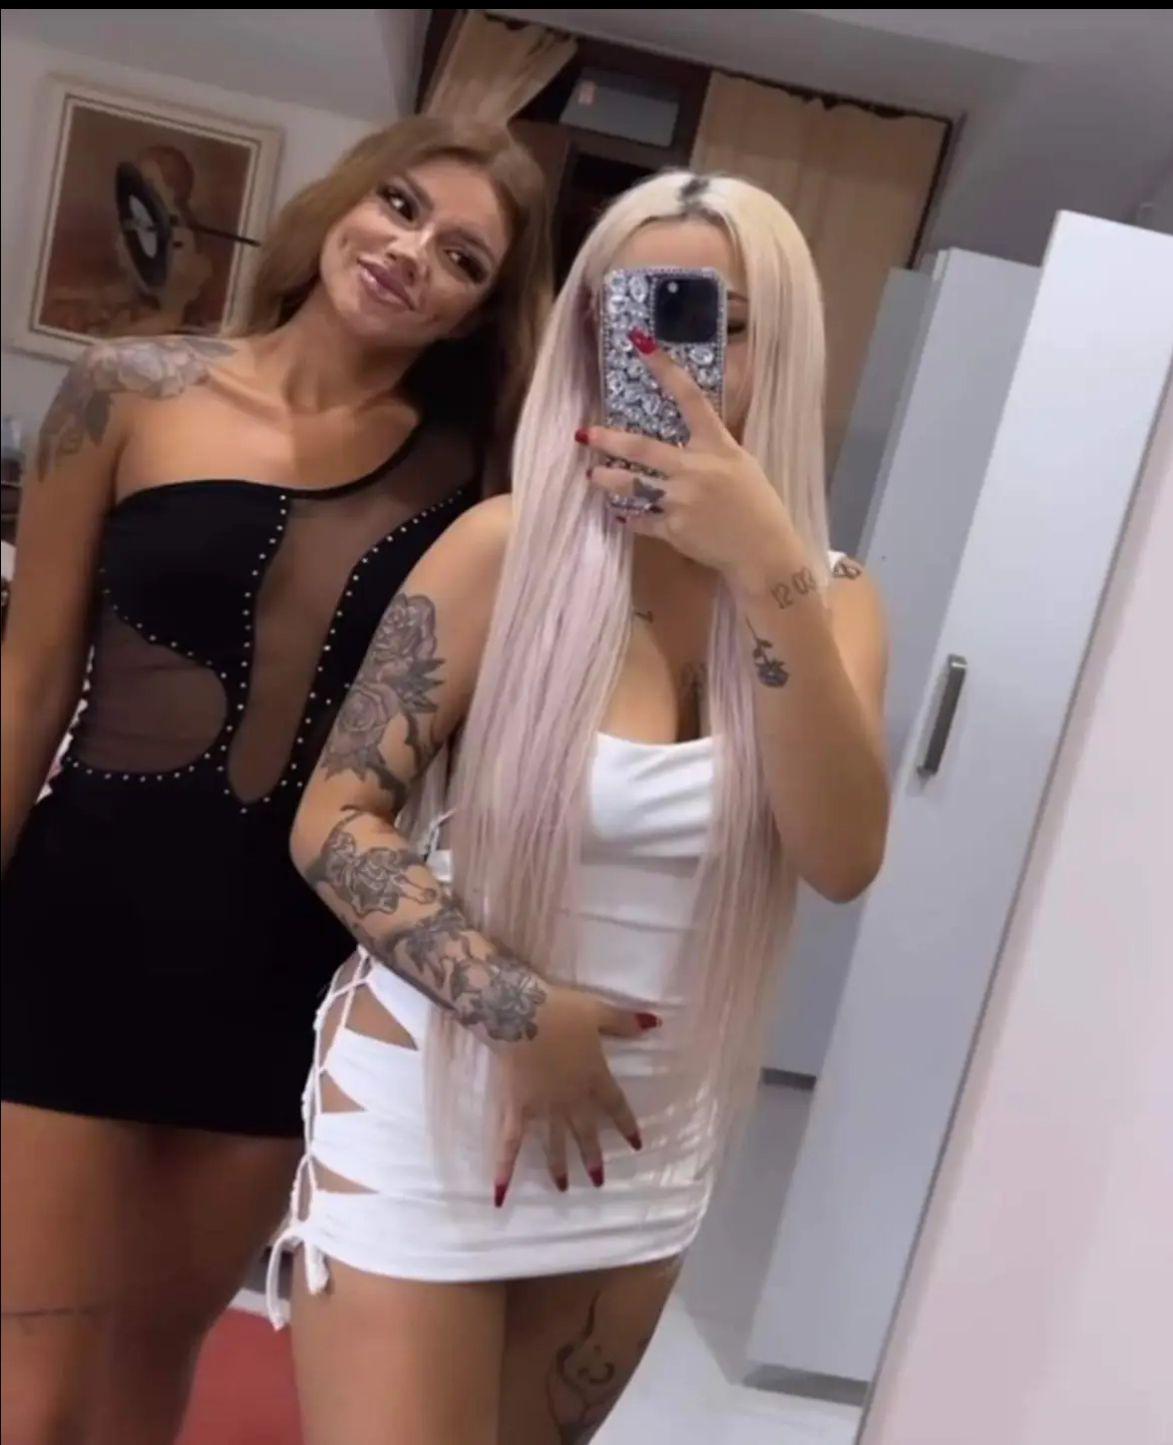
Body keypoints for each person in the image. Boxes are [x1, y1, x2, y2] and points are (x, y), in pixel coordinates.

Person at [280, 169, 891, 1445]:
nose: (671, 358)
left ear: (785, 346)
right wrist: (519, 1007)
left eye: (715, 323)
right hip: (437, 1101)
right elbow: (334, 817)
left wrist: (765, 565)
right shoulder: (506, 549)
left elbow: (840, 858)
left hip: (645, 1144)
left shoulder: (830, 598)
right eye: (636, 315)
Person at [0, 115, 550, 1444]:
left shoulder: (480, 481)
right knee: (28, 1384)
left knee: (148, 1371)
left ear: (479, 312)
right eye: (402, 206)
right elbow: (28, 680)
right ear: (344, 202)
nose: (412, 251)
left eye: (463, 256)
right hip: (76, 929)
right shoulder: (127, 389)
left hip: (287, 966)